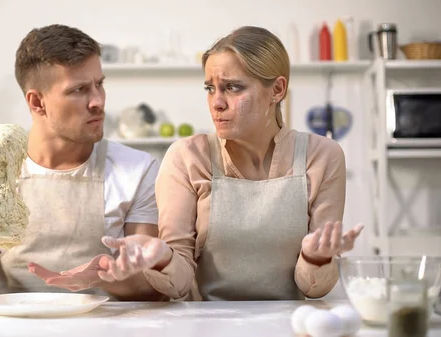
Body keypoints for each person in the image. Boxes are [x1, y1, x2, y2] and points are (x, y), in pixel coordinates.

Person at [34, 26, 364, 301]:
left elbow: (315, 287)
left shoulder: (322, 157)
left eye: (233, 88)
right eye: (210, 88)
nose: (216, 103)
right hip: (204, 323)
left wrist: (315, 256)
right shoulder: (188, 157)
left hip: (290, 323)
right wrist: (159, 256)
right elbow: (177, 285)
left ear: (277, 90)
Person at [0, 24, 162, 301]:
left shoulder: (137, 169)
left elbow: (152, 288)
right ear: (37, 102)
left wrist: (102, 277)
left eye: (99, 84)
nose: (98, 101)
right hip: (11, 328)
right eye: (79, 90)